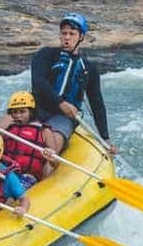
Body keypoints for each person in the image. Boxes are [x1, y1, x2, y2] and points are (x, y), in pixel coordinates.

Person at [26, 12, 117, 155]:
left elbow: (97, 104)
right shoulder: (46, 54)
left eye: (72, 34)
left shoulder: (89, 69)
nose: (67, 38)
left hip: (63, 117)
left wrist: (105, 138)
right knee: (2, 126)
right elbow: (38, 81)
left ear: (81, 37)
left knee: (50, 151)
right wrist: (61, 102)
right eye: (64, 33)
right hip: (36, 108)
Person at [0, 91, 57, 187]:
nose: (18, 115)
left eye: (22, 111)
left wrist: (51, 158)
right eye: (15, 112)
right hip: (8, 172)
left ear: (31, 112)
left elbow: (55, 162)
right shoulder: (9, 129)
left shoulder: (44, 131)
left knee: (15, 189)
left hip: (29, 177)